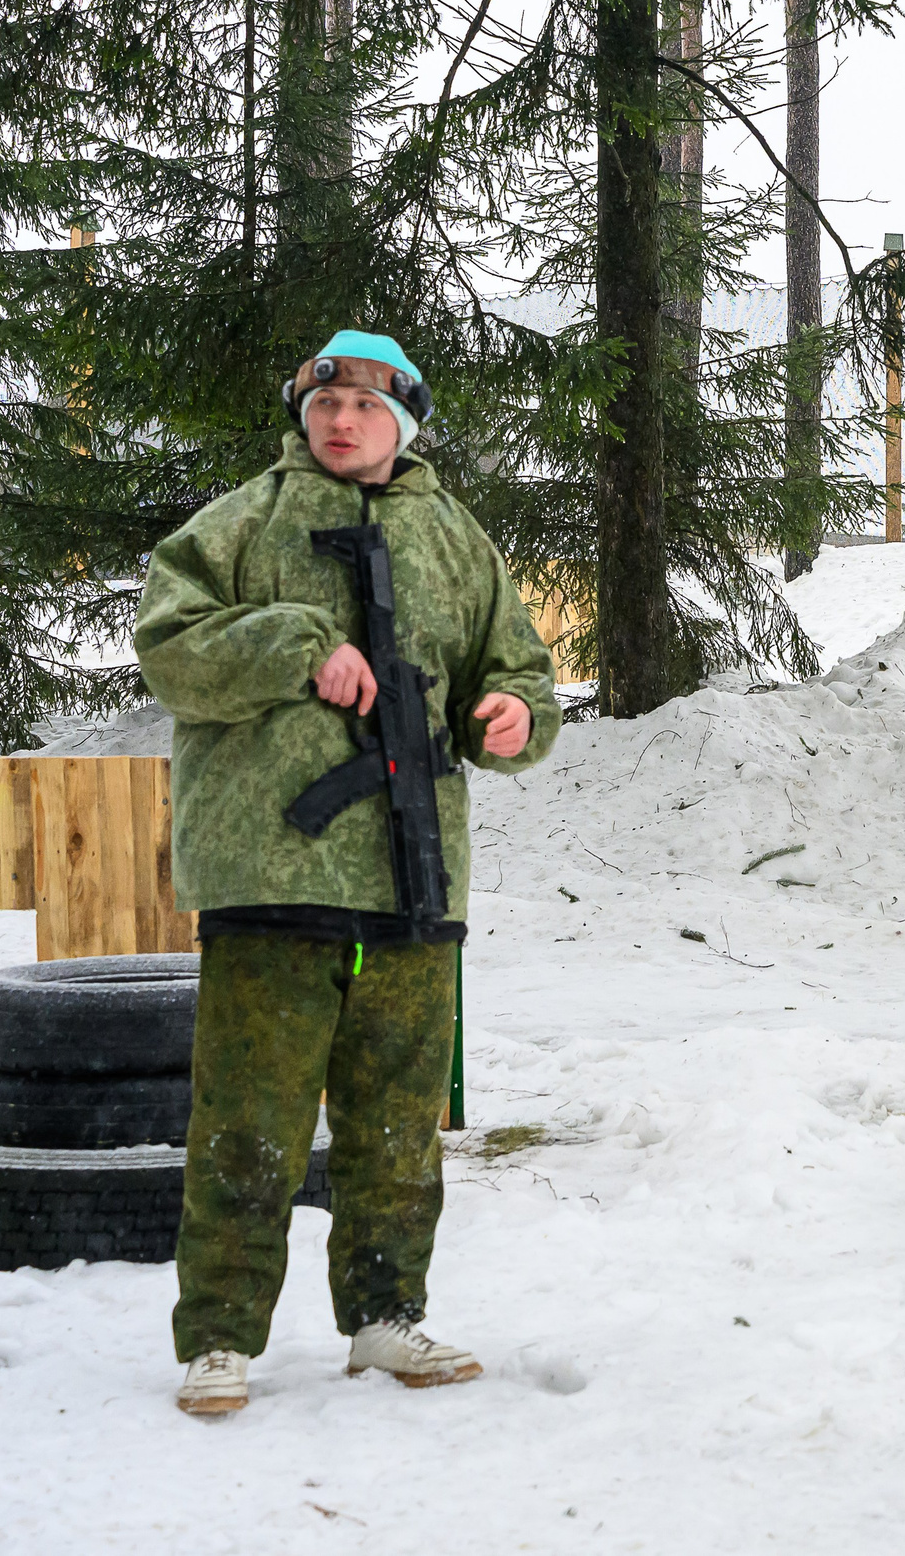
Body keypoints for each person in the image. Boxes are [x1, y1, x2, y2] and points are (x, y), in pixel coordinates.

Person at [134, 330, 560, 1414]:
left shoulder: (458, 540)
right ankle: (220, 1339)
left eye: (367, 406)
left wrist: (510, 714)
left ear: (403, 422)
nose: (339, 420)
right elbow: (170, 642)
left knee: (398, 1127)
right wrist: (294, 642)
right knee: (249, 1119)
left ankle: (384, 1320)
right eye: (325, 402)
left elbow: (517, 667)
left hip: (412, 883)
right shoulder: (240, 522)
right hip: (272, 875)